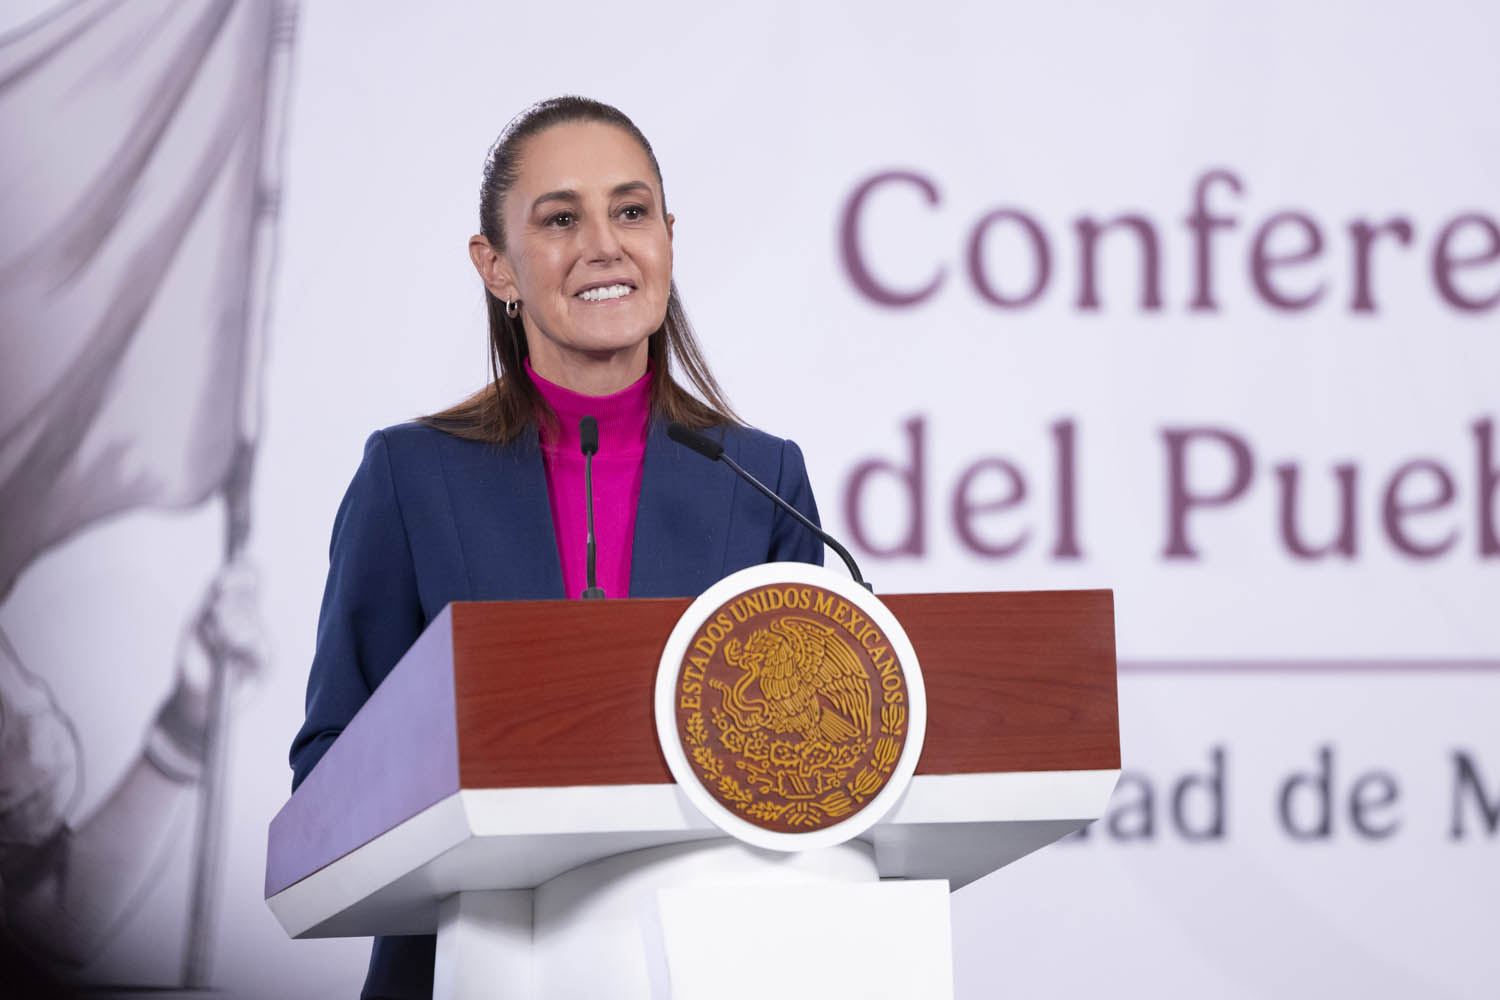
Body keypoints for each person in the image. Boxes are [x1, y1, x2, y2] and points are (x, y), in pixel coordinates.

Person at [288, 96, 824, 999]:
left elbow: (830, 751)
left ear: (666, 237)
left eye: (631, 211)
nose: (605, 245)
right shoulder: (410, 476)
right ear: (497, 268)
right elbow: (331, 764)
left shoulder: (761, 477)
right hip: (465, 961)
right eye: (561, 219)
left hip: (704, 962)